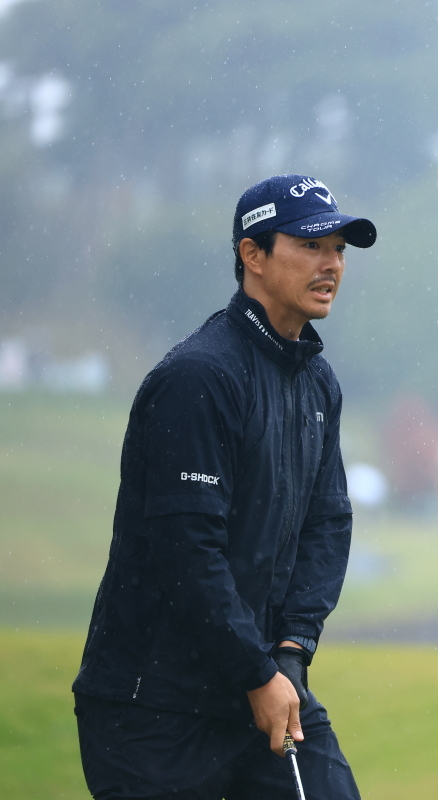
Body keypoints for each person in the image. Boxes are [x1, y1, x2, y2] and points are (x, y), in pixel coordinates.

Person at [71, 174, 377, 800]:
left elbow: (328, 526)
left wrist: (291, 652)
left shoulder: (317, 384)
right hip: (153, 709)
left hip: (261, 688)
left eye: (340, 250)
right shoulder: (199, 377)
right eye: (311, 245)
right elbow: (187, 553)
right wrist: (258, 671)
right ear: (252, 255)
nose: (331, 264)